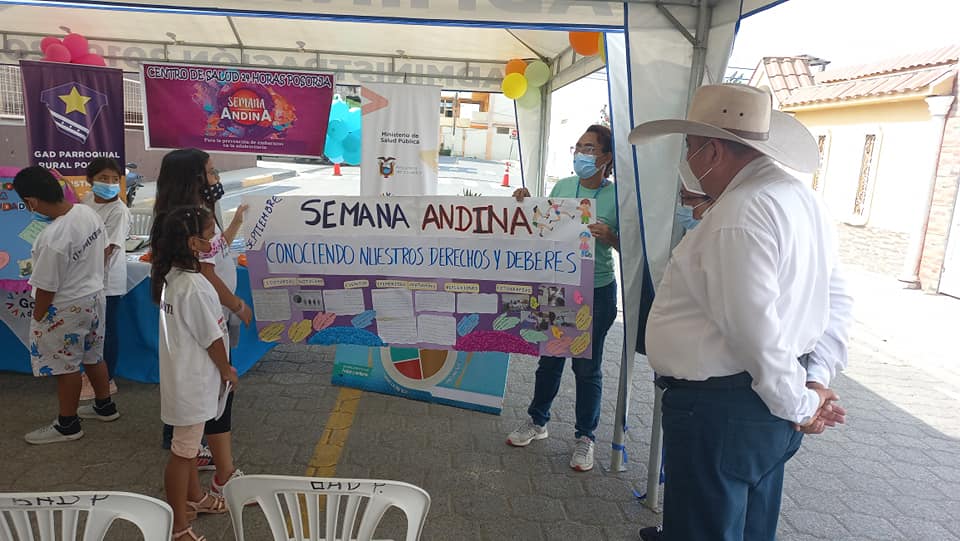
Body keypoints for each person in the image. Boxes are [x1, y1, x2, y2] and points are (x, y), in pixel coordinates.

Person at [628, 84, 853, 541]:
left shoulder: (740, 213)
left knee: (706, 527)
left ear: (712, 150)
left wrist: (804, 404)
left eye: (689, 147)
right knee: (748, 522)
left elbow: (755, 335)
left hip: (725, 408)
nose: (687, 161)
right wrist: (815, 381)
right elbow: (836, 297)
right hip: (765, 400)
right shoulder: (799, 197)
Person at [507, 124, 620, 472]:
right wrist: (526, 204)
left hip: (597, 289)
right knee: (550, 359)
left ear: (606, 157)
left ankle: (585, 436)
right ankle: (537, 421)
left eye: (590, 149)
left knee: (587, 368)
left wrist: (611, 237)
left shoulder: (618, 197)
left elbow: (633, 247)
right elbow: (543, 226)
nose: (581, 154)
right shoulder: (562, 187)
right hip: (558, 286)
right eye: (578, 147)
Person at [153, 148, 251, 494]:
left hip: (211, 322)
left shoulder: (197, 219)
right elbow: (208, 272)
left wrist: (235, 223)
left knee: (205, 411)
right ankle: (221, 479)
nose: (217, 178)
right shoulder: (187, 227)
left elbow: (216, 251)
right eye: (211, 172)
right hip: (208, 325)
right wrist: (237, 305)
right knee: (215, 401)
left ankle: (199, 483)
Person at [14, 166, 120, 444]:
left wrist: (38, 318)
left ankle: (68, 424)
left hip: (65, 307)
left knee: (66, 366)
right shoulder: (86, 212)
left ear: (31, 202)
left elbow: (46, 287)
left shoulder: (51, 238)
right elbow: (105, 250)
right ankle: (105, 406)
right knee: (93, 355)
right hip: (94, 297)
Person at [151, 205, 236, 541]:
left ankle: (195, 497)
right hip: (195, 383)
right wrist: (227, 370)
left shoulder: (173, 276)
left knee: (187, 448)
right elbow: (211, 338)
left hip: (183, 378)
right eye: (209, 235)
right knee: (183, 453)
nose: (214, 240)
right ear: (193, 243)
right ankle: (178, 527)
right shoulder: (194, 286)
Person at [79, 158, 130, 400]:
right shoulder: (87, 201)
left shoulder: (119, 211)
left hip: (107, 281)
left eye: (114, 179)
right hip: (86, 278)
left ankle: (107, 381)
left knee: (105, 331)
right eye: (103, 178)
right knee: (90, 330)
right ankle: (92, 375)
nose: (110, 184)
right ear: (90, 180)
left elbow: (107, 250)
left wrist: (81, 273)